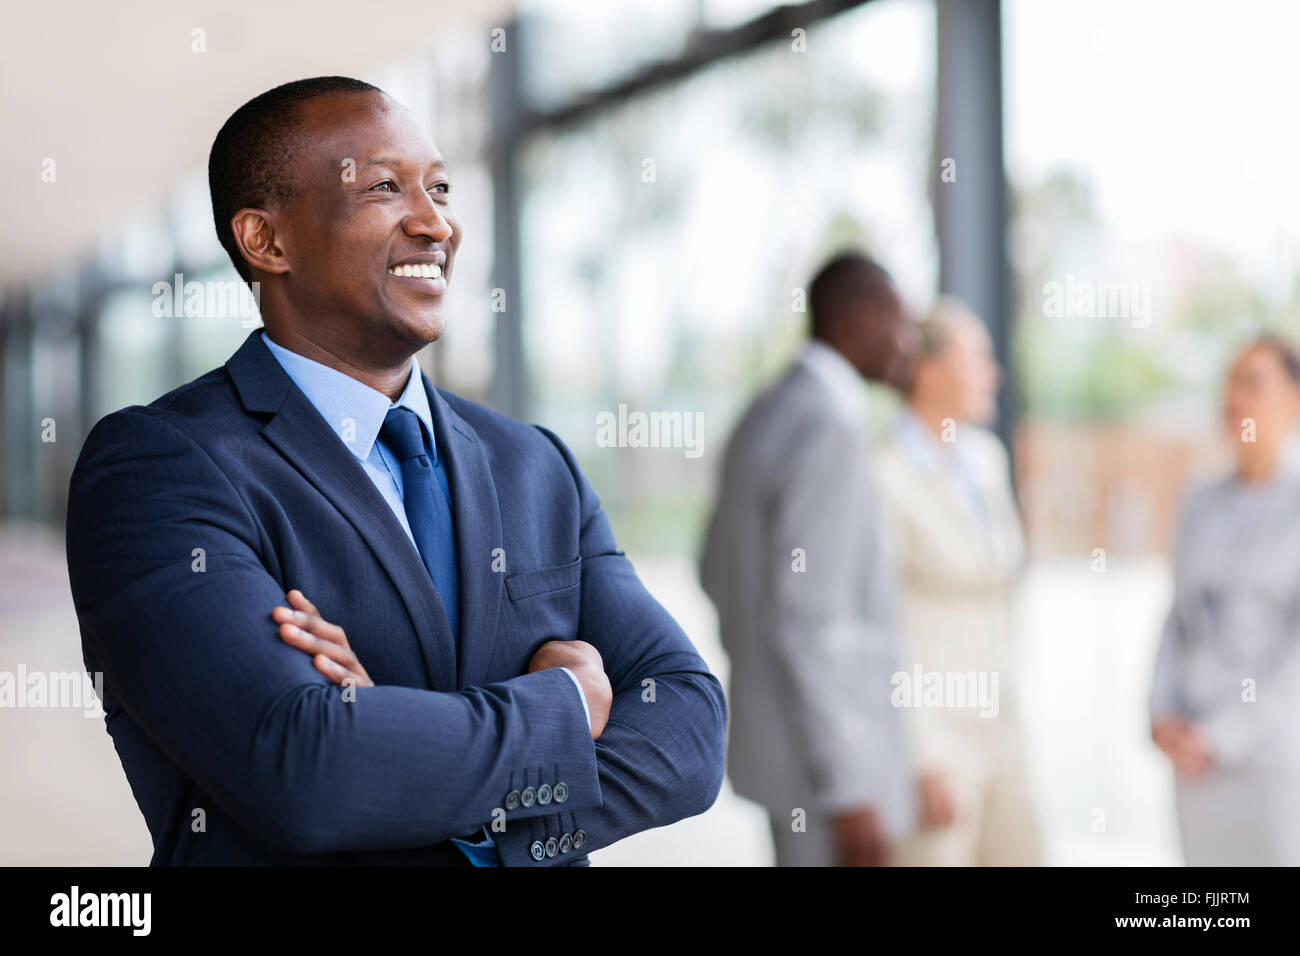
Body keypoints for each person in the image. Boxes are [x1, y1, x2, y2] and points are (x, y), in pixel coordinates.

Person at [64, 76, 726, 866]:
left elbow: (688, 727)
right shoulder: (160, 467)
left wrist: (442, 783)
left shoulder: (534, 464)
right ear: (266, 242)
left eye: (440, 188)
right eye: (385, 186)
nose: (435, 221)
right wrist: (569, 700)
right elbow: (306, 770)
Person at [699, 251, 916, 866]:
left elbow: (714, 569)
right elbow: (811, 623)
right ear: (857, 320)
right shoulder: (827, 430)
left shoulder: (762, 413)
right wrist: (851, 790)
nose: (907, 344)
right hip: (829, 777)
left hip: (778, 755)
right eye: (900, 322)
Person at [871, 298, 1042, 866]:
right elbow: (879, 624)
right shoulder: (882, 474)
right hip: (934, 742)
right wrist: (919, 758)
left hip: (1002, 727)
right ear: (927, 371)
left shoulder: (985, 460)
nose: (992, 374)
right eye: (977, 358)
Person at [1150, 336, 1300, 866]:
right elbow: (1178, 617)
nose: (1233, 398)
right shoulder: (1200, 499)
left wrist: (1220, 738)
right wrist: (1160, 709)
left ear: (1294, 400)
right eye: (1229, 383)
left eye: (1252, 383)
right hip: (1193, 760)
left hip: (1271, 762)